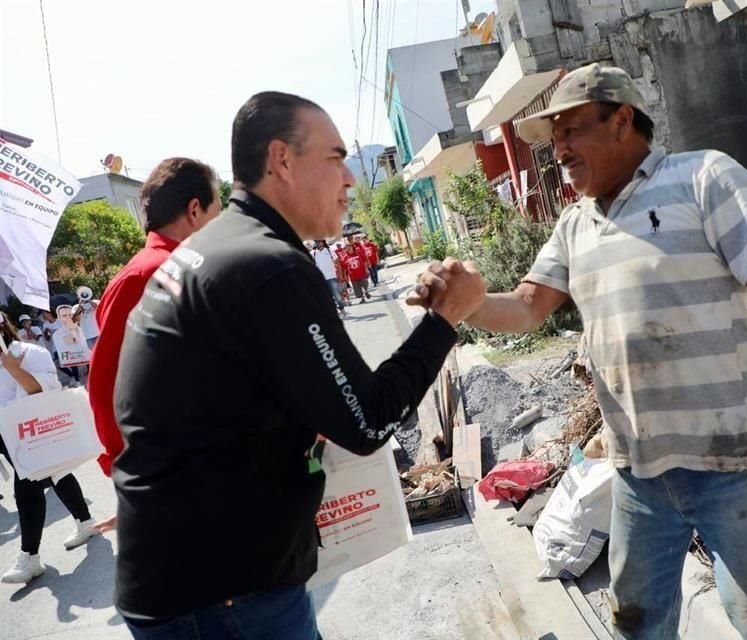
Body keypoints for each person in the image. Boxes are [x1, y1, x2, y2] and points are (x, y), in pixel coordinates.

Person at [411, 64, 747, 640]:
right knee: (638, 624)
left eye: (569, 130)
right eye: (552, 136)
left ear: (622, 120)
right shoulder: (574, 226)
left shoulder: (705, 178)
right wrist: (469, 302)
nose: (557, 149)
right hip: (637, 476)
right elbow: (528, 308)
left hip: (738, 466)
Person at [111, 91, 485, 639]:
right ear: (281, 161)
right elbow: (369, 422)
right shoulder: (267, 266)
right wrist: (446, 318)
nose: (351, 179)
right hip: (221, 596)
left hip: (193, 580)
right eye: (335, 158)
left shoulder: (222, 246)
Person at [87, 158, 221, 534]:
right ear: (195, 211)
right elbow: (106, 387)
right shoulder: (150, 274)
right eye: (218, 212)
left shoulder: (182, 267)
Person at [0, 311, 100, 584]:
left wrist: (13, 369)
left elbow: (45, 391)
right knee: (57, 473)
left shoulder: (29, 353)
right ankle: (86, 521)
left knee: (28, 484)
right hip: (5, 433)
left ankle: (29, 556)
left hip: (31, 431)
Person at [310, 238, 346, 315]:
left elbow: (338, 263)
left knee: (337, 296)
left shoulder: (329, 251)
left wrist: (340, 274)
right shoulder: (313, 253)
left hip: (331, 277)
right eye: (318, 242)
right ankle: (335, 311)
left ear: (323, 242)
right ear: (315, 243)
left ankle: (341, 307)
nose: (320, 243)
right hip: (321, 279)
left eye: (321, 242)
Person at [73, 286, 100, 351]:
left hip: (98, 332)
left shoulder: (96, 302)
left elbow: (99, 308)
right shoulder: (76, 307)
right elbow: (74, 319)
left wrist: (89, 301)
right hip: (87, 335)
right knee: (93, 352)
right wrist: (80, 305)